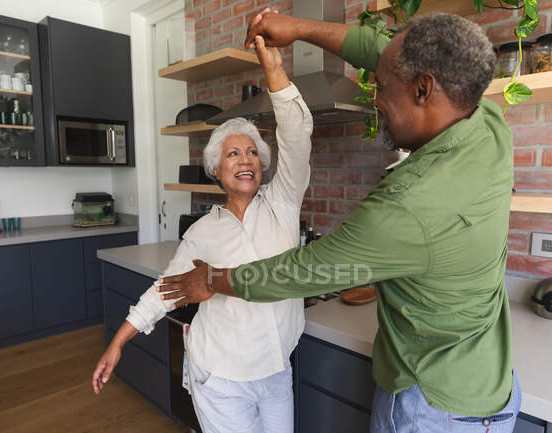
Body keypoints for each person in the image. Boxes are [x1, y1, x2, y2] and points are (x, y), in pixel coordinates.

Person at [157, 9, 522, 433]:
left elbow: (307, 269)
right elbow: (381, 50)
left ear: (424, 88)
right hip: (488, 384)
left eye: (382, 88)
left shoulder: (407, 205)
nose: (375, 99)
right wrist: (301, 27)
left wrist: (216, 281)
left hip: (433, 406)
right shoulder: (487, 122)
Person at [91, 32, 313, 433]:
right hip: (221, 377)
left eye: (252, 153)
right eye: (233, 153)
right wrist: (118, 341)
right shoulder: (202, 231)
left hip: (276, 373)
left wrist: (275, 71)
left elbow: (296, 141)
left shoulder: (282, 204)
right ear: (216, 170)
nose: (245, 159)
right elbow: (166, 290)